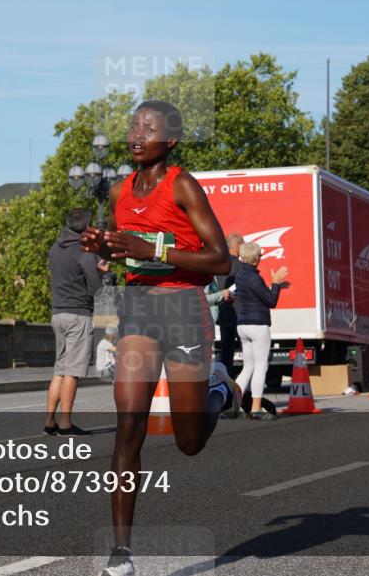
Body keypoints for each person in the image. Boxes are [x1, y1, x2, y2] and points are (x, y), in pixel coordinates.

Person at [80, 100, 240, 576]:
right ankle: (122, 552)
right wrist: (104, 246)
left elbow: (221, 261)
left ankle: (217, 388)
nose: (136, 135)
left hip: (184, 312)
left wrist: (152, 248)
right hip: (139, 310)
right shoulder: (119, 191)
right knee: (129, 425)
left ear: (169, 140)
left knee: (189, 442)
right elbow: (124, 247)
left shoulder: (183, 185)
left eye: (148, 129)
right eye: (133, 126)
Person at [45, 208, 106, 437]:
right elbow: (96, 289)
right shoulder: (85, 252)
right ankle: (65, 424)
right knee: (72, 372)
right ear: (87, 228)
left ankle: (49, 422)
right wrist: (100, 272)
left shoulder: (54, 249)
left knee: (59, 370)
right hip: (78, 314)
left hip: (58, 313)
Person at [234, 242, 288, 420]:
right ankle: (256, 409)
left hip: (242, 325)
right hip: (258, 325)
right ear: (257, 259)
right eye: (260, 256)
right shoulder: (254, 278)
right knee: (260, 367)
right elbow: (271, 301)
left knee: (247, 367)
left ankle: (234, 406)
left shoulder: (240, 275)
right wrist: (276, 283)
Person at [215, 233, 244, 371]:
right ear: (238, 245)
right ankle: (247, 390)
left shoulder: (220, 265)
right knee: (248, 353)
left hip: (223, 312)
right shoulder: (242, 266)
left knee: (226, 354)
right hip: (240, 314)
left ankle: (224, 386)